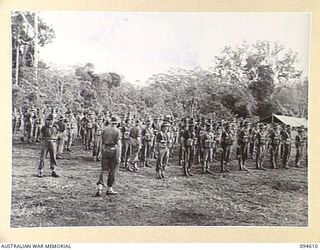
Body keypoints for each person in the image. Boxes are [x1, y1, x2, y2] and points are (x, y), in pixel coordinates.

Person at [95, 117, 121, 196]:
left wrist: (99, 151)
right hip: (113, 149)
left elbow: (101, 142)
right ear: (116, 123)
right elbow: (119, 144)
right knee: (112, 170)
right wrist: (119, 155)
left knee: (104, 169)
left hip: (105, 149)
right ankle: (109, 188)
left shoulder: (104, 129)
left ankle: (99, 188)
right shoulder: (117, 131)